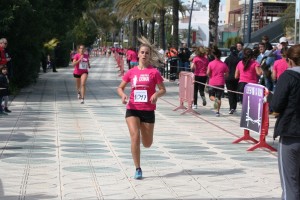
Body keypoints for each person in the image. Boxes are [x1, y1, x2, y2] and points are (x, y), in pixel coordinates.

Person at [117, 36, 166, 179]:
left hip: (148, 110)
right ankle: (138, 168)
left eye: (147, 53)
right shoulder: (131, 72)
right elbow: (120, 88)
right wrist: (123, 95)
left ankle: (145, 144)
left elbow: (163, 89)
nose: (144, 55)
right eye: (142, 52)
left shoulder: (154, 72)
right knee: (135, 137)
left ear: (150, 56)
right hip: (132, 108)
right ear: (138, 54)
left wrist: (157, 94)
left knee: (147, 143)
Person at [270, 44, 300, 200]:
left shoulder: (288, 77)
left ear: (289, 60)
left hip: (291, 133)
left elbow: (276, 105)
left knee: (290, 184)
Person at [207, 47, 229, 117]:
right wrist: (223, 77)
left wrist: (210, 75)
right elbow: (227, 74)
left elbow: (208, 73)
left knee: (211, 96)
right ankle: (217, 111)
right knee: (219, 97)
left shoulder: (211, 63)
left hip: (212, 82)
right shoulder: (223, 64)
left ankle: (215, 100)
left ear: (214, 55)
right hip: (220, 82)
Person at [224, 46, 240, 114]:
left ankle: (231, 107)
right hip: (236, 77)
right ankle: (234, 107)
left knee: (230, 93)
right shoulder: (239, 59)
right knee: (235, 92)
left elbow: (224, 68)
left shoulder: (227, 59)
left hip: (229, 78)